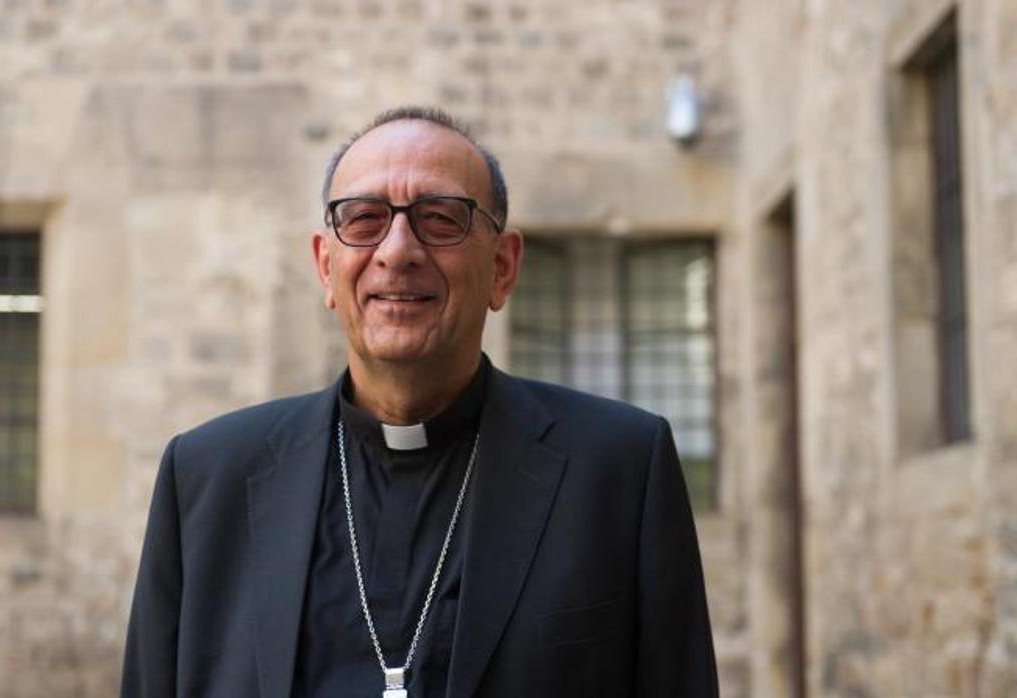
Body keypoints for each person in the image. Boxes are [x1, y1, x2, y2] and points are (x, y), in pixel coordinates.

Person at [121, 106, 718, 697]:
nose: (397, 249)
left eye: (440, 218)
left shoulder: (619, 468)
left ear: (503, 268)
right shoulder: (206, 477)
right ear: (326, 267)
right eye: (363, 219)